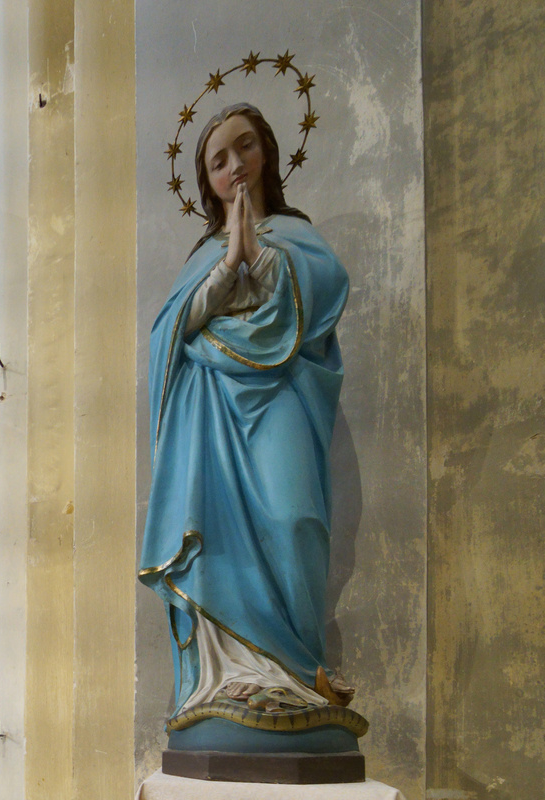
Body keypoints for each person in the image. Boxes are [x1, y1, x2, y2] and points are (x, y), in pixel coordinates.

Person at [138, 103, 353, 721]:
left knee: (294, 518)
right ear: (206, 182)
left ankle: (298, 671)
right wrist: (230, 259)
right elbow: (170, 335)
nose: (234, 165)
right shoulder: (202, 257)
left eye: (246, 147)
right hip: (212, 411)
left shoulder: (298, 236)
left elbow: (323, 295)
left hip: (279, 398)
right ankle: (233, 677)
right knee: (216, 540)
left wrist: (257, 250)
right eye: (218, 160)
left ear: (268, 154)